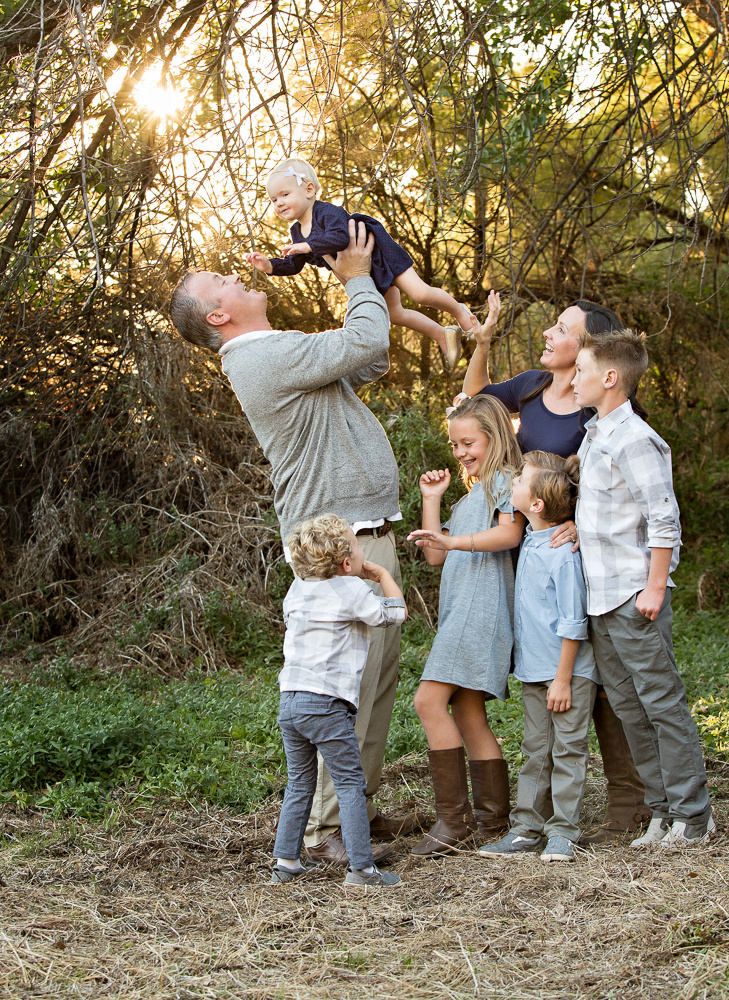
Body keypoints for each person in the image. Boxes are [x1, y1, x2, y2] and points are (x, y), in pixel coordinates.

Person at [169, 221, 417, 868]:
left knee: (373, 680)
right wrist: (358, 275)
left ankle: (348, 806)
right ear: (219, 313)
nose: (234, 274)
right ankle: (330, 830)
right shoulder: (257, 356)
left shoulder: (277, 348)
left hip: (357, 532)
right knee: (355, 687)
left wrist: (377, 293)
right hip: (343, 547)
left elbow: (371, 356)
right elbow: (364, 339)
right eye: (220, 281)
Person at [460, 293, 651, 844]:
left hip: (585, 559)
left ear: (587, 347)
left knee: (604, 680)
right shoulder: (532, 388)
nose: (548, 332)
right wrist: (484, 340)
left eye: (561, 327)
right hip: (535, 549)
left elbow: (625, 487)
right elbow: (475, 399)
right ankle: (536, 819)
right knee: (552, 666)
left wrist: (580, 524)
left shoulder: (608, 406)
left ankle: (626, 803)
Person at [572, 328, 714, 847]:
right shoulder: (595, 433)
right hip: (599, 595)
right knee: (630, 707)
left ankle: (694, 816)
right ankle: (662, 810)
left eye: (582, 371)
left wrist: (655, 588)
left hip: (634, 594)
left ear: (610, 378)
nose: (574, 379)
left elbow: (665, 520)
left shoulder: (636, 440)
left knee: (661, 702)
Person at [406, 395, 526, 856]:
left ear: (495, 438)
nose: (459, 453)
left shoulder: (505, 482)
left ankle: (452, 822)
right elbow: (436, 553)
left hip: (484, 608)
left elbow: (509, 534)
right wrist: (432, 501)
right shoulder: (471, 494)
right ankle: (492, 819)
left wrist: (455, 539)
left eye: (468, 442)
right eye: (455, 445)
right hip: (462, 610)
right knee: (468, 713)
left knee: (428, 701)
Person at [272, 514, 406, 889]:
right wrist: (381, 577)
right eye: (358, 546)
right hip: (326, 705)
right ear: (348, 563)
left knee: (300, 782)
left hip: (291, 701)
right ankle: (362, 869)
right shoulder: (352, 591)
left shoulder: (297, 589)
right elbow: (395, 613)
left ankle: (286, 861)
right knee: (349, 782)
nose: (363, 551)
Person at [245, 157, 478, 370]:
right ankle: (441, 334)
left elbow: (340, 237)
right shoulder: (296, 231)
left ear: (309, 190)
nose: (279, 203)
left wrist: (309, 246)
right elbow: (295, 263)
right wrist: (272, 266)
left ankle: (460, 312)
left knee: (421, 294)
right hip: (364, 273)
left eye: (284, 195)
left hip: (379, 255)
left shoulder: (326, 213)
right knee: (394, 313)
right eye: (274, 199)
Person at [478, 451, 598, 863]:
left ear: (537, 505)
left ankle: (563, 831)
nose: (511, 483)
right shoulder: (531, 541)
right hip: (534, 671)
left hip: (569, 674)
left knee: (567, 750)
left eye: (519, 481)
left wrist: (563, 679)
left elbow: (573, 621)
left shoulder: (562, 554)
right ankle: (527, 828)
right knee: (536, 749)